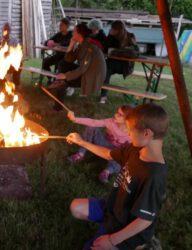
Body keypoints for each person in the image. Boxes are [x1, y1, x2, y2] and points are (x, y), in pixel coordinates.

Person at [66, 103, 169, 250]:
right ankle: (106, 226)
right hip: (113, 209)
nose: (127, 133)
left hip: (125, 227)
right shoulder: (136, 148)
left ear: (147, 133)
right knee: (76, 207)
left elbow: (144, 220)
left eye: (130, 130)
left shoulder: (154, 175)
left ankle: (140, 245)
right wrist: (81, 141)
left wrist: (112, 240)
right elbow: (108, 154)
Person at [66, 105, 133, 183]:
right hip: (103, 143)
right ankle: (80, 154)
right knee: (91, 127)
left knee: (123, 158)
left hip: (115, 152)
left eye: (120, 115)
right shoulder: (111, 122)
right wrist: (75, 119)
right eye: (117, 112)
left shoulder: (131, 134)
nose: (115, 115)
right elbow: (93, 122)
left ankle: (107, 171)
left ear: (127, 120)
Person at [51, 23, 106, 110]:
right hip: (87, 72)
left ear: (79, 34)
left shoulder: (89, 46)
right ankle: (59, 82)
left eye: (74, 32)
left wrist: (66, 76)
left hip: (93, 77)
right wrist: (71, 44)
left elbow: (82, 69)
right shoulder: (82, 44)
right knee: (62, 64)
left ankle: (57, 107)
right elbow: (68, 60)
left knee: (63, 80)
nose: (72, 33)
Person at [100, 21, 139, 104]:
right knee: (106, 67)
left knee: (107, 65)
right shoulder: (112, 36)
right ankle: (103, 96)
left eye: (113, 29)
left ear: (118, 30)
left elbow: (135, 52)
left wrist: (115, 51)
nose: (111, 30)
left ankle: (103, 96)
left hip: (125, 66)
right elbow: (105, 49)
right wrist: (110, 35)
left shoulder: (130, 36)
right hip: (112, 63)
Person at [41, 18, 72, 83]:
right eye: (60, 25)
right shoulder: (58, 34)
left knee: (59, 65)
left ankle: (57, 81)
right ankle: (51, 78)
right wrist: (48, 43)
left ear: (67, 26)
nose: (59, 26)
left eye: (61, 25)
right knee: (45, 62)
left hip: (67, 57)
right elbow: (48, 41)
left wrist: (55, 44)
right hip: (58, 55)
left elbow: (67, 43)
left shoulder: (71, 34)